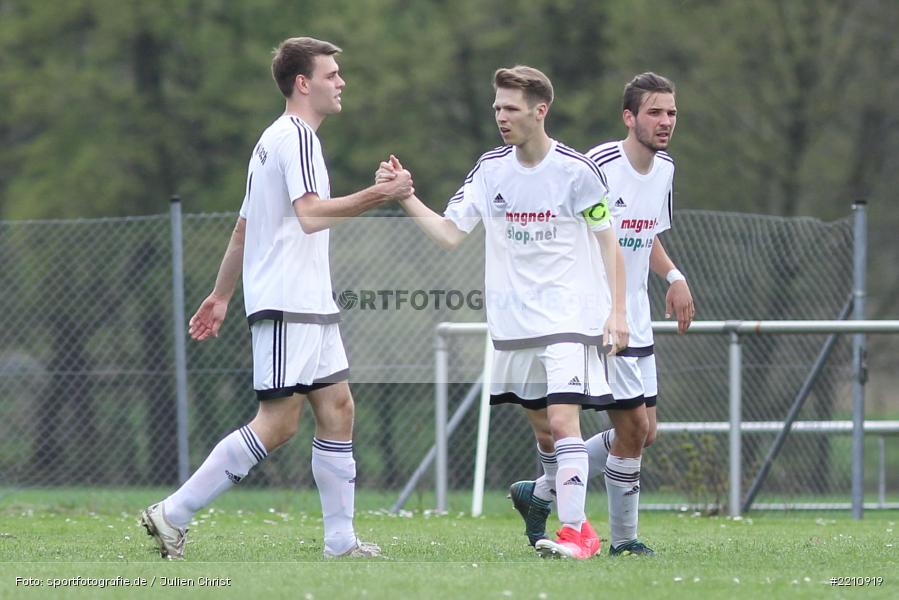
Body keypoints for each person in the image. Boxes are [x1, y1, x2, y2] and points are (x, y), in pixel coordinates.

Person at [140, 36, 414, 560]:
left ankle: (340, 543)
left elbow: (245, 229)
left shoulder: (273, 140)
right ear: (303, 83)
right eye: (331, 74)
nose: (341, 82)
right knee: (278, 423)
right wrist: (383, 193)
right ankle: (173, 513)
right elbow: (310, 215)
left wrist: (220, 295)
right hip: (290, 302)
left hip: (308, 302)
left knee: (338, 407)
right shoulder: (296, 138)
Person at [377, 66, 628, 560]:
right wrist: (406, 196)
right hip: (515, 326)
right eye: (496, 107)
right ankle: (540, 496)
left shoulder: (577, 172)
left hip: (570, 318)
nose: (501, 116)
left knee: (563, 422)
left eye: (510, 108)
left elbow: (609, 243)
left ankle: (579, 533)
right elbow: (450, 234)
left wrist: (616, 312)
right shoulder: (490, 168)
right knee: (545, 434)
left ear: (540, 111)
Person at [508, 72, 695, 557]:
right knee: (632, 429)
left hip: (636, 311)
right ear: (628, 117)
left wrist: (673, 277)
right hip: (598, 316)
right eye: (654, 112)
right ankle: (624, 541)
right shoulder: (597, 166)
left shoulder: (666, 169)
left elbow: (643, 233)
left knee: (644, 432)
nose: (665, 121)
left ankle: (542, 491)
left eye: (671, 112)